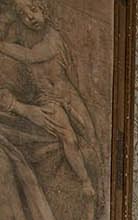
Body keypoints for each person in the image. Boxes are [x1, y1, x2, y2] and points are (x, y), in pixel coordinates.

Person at [0, 0, 94, 197]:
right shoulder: (19, 33)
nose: (30, 17)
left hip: (67, 93)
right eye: (24, 15)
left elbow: (30, 56)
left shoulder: (53, 37)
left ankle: (91, 168)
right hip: (47, 99)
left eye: (33, 10)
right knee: (69, 137)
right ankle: (85, 181)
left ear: (44, 9)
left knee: (89, 131)